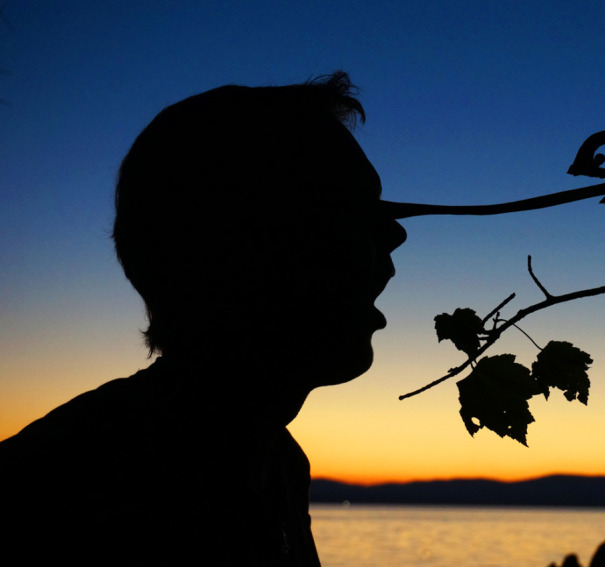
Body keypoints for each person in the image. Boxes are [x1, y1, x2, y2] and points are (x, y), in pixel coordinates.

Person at [0, 72, 406, 566]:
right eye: (351, 210)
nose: (394, 235)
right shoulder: (69, 489)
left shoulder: (274, 461)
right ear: (238, 244)